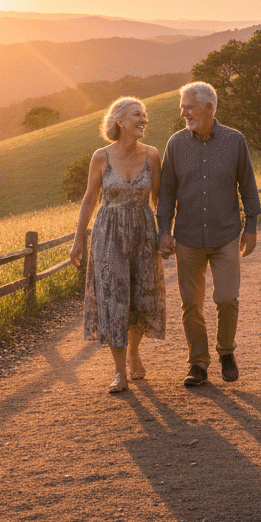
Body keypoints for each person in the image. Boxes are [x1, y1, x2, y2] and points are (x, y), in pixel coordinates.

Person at [157, 81, 261, 387]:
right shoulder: (176, 144)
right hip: (187, 237)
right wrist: (164, 230)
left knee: (227, 298)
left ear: (209, 108)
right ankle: (198, 363)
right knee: (191, 304)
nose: (183, 112)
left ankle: (226, 351)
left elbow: (248, 186)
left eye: (188, 106)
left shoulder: (235, 141)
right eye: (182, 107)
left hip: (225, 234)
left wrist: (251, 227)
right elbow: (166, 193)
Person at [70, 97, 166, 393]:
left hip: (143, 232)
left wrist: (165, 234)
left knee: (141, 296)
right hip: (108, 233)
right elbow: (89, 199)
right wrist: (77, 241)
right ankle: (119, 372)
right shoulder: (101, 156)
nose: (144, 120)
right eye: (138, 115)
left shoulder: (152, 155)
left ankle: (135, 352)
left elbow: (159, 198)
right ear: (120, 120)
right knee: (113, 298)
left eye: (145, 115)